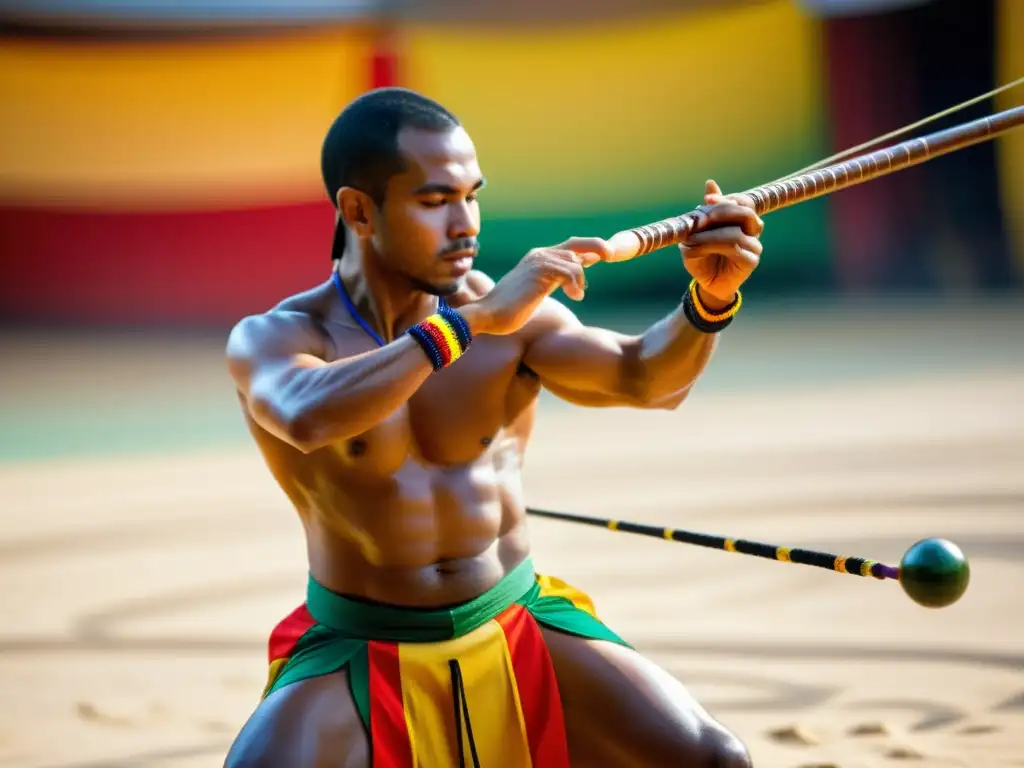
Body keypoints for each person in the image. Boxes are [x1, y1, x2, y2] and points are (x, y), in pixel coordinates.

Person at [223, 87, 763, 767]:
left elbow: (644, 376)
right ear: (359, 211)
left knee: (717, 760)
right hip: (359, 641)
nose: (466, 224)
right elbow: (306, 414)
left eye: (472, 195)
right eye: (434, 200)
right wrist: (470, 323)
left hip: (513, 618)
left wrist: (709, 300)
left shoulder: (511, 316)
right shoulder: (277, 336)